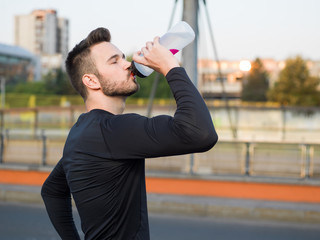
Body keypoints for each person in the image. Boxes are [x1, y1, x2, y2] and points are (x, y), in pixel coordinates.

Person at [41, 27, 218, 240]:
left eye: (123, 58)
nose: (127, 64)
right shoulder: (113, 130)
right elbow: (201, 133)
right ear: (91, 81)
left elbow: (51, 190)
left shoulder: (80, 132)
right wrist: (170, 66)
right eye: (114, 61)